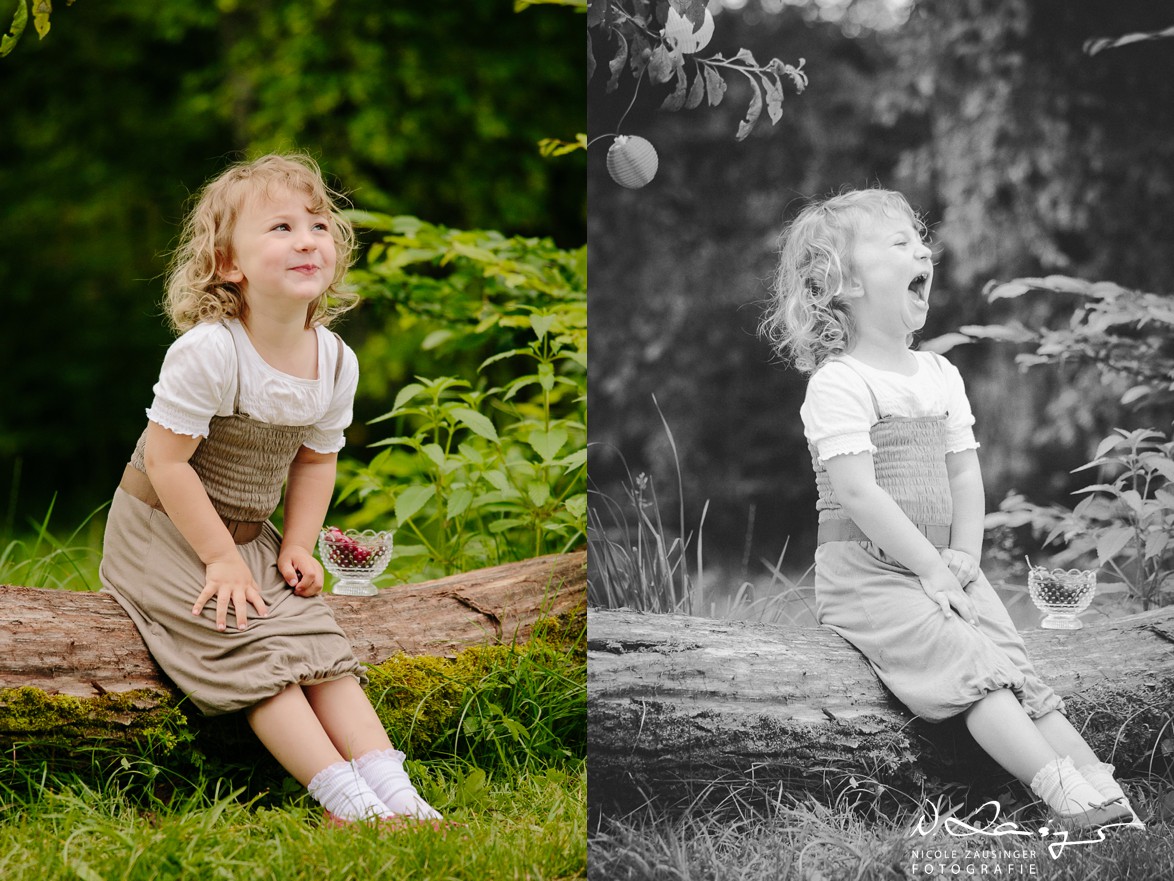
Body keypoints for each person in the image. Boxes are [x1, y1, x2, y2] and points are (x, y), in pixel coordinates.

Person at [760, 188, 1142, 831]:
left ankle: (1103, 791)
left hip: (942, 565)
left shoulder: (939, 374)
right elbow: (858, 492)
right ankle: (1059, 794)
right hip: (870, 574)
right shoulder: (840, 382)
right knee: (969, 668)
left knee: (1013, 667)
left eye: (920, 240)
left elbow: (965, 472)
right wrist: (930, 570)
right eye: (898, 243)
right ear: (840, 283)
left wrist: (962, 556)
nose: (922, 251)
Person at [100, 153, 443, 827]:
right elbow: (169, 466)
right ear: (230, 263)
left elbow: (316, 459)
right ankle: (349, 805)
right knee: (254, 647)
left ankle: (402, 799)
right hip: (167, 533)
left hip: (249, 537)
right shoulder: (209, 351)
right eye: (280, 227)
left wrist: (300, 542)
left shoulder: (334, 359)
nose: (307, 238)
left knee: (320, 645)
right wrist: (221, 559)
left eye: (317, 224)